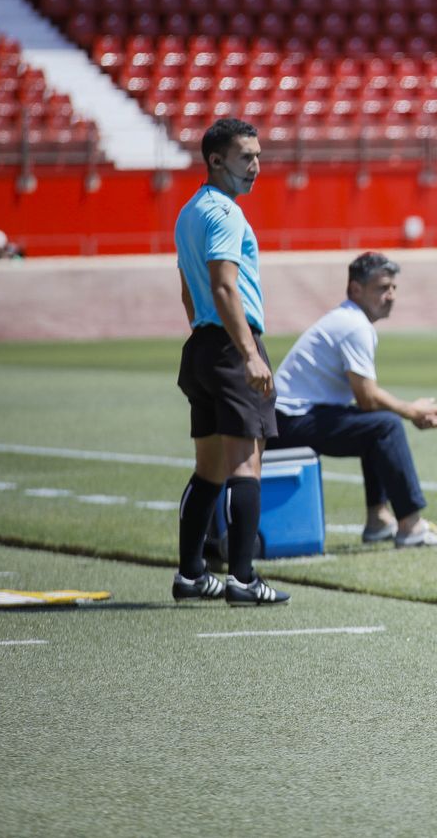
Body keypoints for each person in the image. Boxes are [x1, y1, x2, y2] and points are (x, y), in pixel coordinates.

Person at [171, 116, 289, 606]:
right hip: (229, 345)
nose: (256, 166)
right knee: (246, 467)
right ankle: (243, 578)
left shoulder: (189, 211)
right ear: (216, 160)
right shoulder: (225, 214)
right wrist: (247, 354)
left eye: (258, 155)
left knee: (209, 470)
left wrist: (209, 341)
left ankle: (192, 575)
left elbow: (187, 292)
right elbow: (223, 286)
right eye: (247, 157)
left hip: (202, 344)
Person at [269, 252, 437, 547]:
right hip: (287, 423)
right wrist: (412, 411)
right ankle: (411, 526)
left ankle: (378, 520)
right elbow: (367, 399)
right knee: (385, 426)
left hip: (286, 420)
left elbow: (366, 403)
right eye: (382, 288)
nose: (391, 295)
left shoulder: (349, 320)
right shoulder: (354, 326)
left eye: (393, 288)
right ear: (355, 289)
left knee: (375, 427)